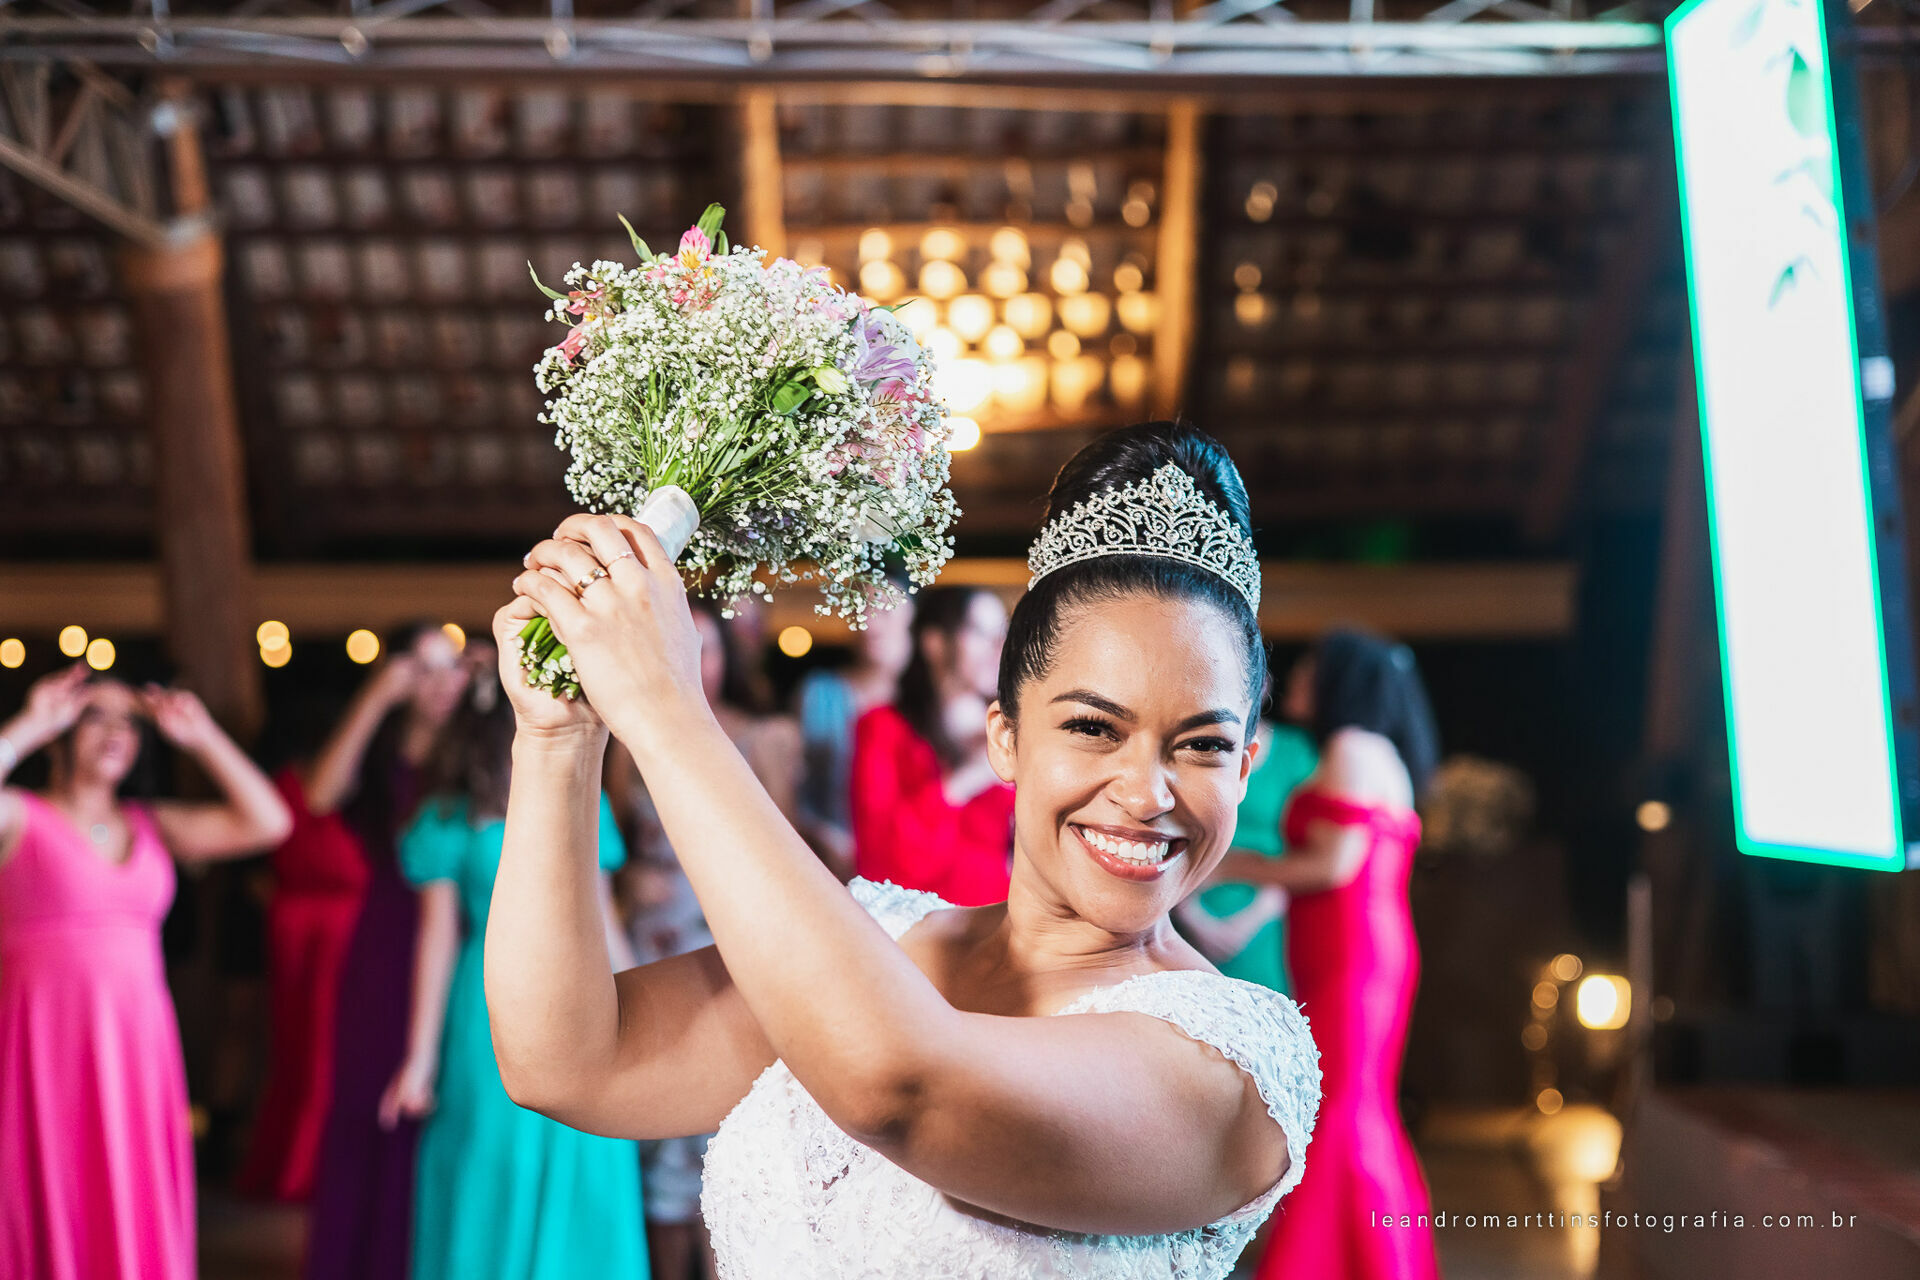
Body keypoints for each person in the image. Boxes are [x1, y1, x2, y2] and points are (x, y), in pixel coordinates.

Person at [483, 421, 1321, 1279]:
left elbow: (901, 1088)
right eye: (1093, 727)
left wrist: (665, 707)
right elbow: (570, 1060)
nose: (1148, 793)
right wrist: (556, 740)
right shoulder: (875, 935)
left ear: (1249, 765)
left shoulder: (1235, 1067)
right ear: (1005, 740)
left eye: (1203, 745)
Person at [0, 665, 294, 1280]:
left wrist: (202, 736)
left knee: (128, 1183)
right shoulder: (19, 817)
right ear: (61, 733)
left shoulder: (152, 823)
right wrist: (29, 724)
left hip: (136, 1050)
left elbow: (272, 822)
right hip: (40, 1047)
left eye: (129, 723)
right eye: (95, 718)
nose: (115, 733)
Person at [379, 661, 649, 1280]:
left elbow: (607, 925)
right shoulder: (447, 816)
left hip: (578, 986)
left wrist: (641, 1021)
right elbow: (436, 940)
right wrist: (419, 1060)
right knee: (489, 1156)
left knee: (588, 1144)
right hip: (486, 1006)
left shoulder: (586, 801)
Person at [1219, 630, 1442, 1280]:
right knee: (1357, 1108)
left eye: (1311, 667)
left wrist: (1230, 866)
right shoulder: (1375, 751)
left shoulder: (1350, 748)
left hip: (1353, 954)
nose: (1297, 679)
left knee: (1342, 1111)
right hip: (1361, 949)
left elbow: (1332, 864)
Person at [609, 599, 799, 1280]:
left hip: (729, 934)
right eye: (685, 646)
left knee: (726, 1116)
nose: (699, 663)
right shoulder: (625, 741)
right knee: (651, 1118)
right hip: (651, 934)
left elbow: (786, 850)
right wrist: (630, 879)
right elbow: (615, 846)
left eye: (710, 648)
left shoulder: (764, 737)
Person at [305, 625, 473, 1280]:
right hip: (385, 942)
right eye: (422, 669)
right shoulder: (377, 760)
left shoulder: (481, 752)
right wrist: (374, 699)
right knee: (372, 1104)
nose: (440, 682)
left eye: (452, 667)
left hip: (467, 936)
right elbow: (319, 796)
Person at [849, 585, 1013, 906]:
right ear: (934, 643)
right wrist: (966, 779)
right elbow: (880, 862)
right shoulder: (882, 728)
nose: (999, 646)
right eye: (981, 632)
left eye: (1002, 632)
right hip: (922, 926)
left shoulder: (1005, 727)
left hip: (1001, 919)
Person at [1178, 693, 1318, 994]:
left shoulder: (1295, 751)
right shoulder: (1192, 739)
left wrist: (1250, 920)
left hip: (1266, 913)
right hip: (1185, 902)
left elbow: (1305, 847)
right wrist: (1191, 917)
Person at [793, 582, 915, 879]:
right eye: (862, 610)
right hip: (830, 862)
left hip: (908, 859)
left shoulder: (921, 703)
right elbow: (793, 784)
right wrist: (824, 837)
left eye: (884, 612)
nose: (871, 623)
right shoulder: (819, 694)